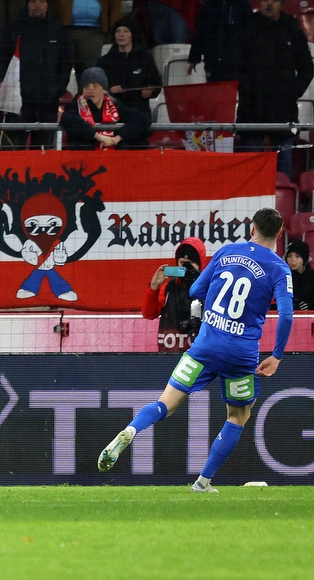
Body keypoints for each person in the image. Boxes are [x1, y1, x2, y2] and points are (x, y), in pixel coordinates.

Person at [98, 208, 294, 492]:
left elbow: (195, 291)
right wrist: (276, 355)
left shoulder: (226, 253)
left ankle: (131, 430)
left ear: (252, 229)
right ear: (280, 231)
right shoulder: (278, 267)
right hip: (240, 356)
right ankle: (203, 482)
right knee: (237, 416)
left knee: (166, 402)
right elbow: (286, 315)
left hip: (203, 347)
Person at [234, 0, 313, 179]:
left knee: (283, 168)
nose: (268, 3)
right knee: (248, 169)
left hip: (283, 111)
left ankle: (281, 204)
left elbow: (307, 68)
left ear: (282, 4)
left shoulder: (293, 31)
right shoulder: (247, 29)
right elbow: (235, 65)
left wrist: (292, 92)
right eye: (265, 0)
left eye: (274, 0)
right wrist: (247, 90)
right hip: (251, 111)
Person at [0, 0, 73, 148]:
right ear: (27, 4)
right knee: (15, 146)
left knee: (43, 147)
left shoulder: (58, 30)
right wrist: (11, 87)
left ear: (47, 4)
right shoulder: (13, 28)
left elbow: (66, 62)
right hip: (19, 101)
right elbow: (3, 58)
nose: (38, 5)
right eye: (33, 1)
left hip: (47, 102)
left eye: (42, 1)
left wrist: (57, 88)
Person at [59, 67, 151, 149]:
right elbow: (68, 119)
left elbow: (143, 118)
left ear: (104, 90)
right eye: (86, 87)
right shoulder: (76, 105)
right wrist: (98, 137)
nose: (90, 90)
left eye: (95, 86)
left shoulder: (115, 105)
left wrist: (117, 138)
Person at [141, 237, 206, 353]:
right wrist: (154, 286)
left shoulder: (208, 289)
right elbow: (148, 314)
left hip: (196, 357)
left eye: (190, 265)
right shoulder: (168, 288)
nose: (186, 269)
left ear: (200, 264)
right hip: (168, 354)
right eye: (182, 264)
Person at [97, 17, 161, 120]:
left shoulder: (145, 58)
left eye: (126, 31)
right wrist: (109, 88)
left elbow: (156, 84)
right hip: (112, 113)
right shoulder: (104, 61)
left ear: (133, 35)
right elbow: (96, 88)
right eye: (118, 31)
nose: (121, 34)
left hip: (139, 114)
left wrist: (150, 91)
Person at [50, 0, 122, 88]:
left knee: (90, 75)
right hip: (63, 29)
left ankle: (88, 100)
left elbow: (115, 7)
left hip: (94, 32)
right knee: (58, 71)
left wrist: (117, 29)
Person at [187, 0, 252, 83]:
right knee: (214, 92)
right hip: (213, 62)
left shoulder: (242, 5)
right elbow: (201, 30)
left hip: (235, 63)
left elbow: (250, 34)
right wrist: (194, 57)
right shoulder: (210, 4)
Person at [285, 240, 314, 311]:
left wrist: (309, 305)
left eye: (297, 256)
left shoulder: (312, 277)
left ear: (304, 258)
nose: (293, 260)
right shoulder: (284, 277)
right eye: (289, 256)